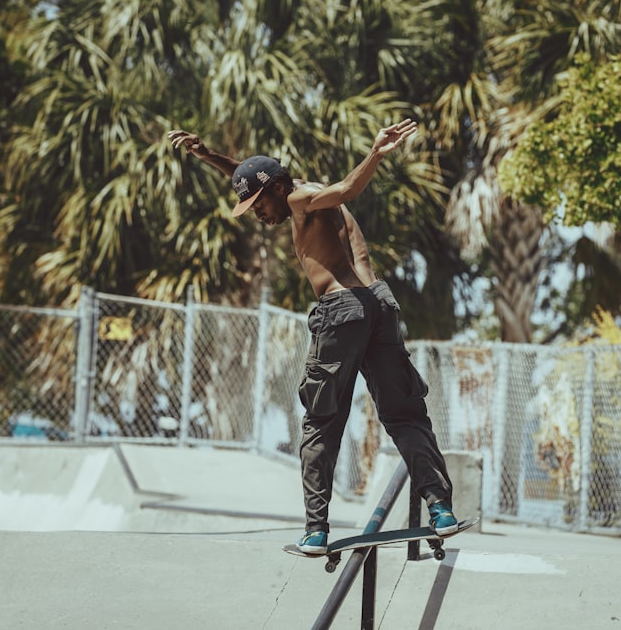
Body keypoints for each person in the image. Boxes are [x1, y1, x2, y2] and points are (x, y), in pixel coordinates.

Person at [168, 120, 457, 554]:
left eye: (258, 206)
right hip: (379, 305)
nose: (260, 217)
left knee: (322, 421)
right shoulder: (294, 189)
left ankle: (316, 529)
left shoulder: (302, 200)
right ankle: (441, 509)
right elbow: (256, 177)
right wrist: (210, 156)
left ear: (278, 189)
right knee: (404, 415)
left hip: (341, 311)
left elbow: (345, 189)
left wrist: (376, 151)